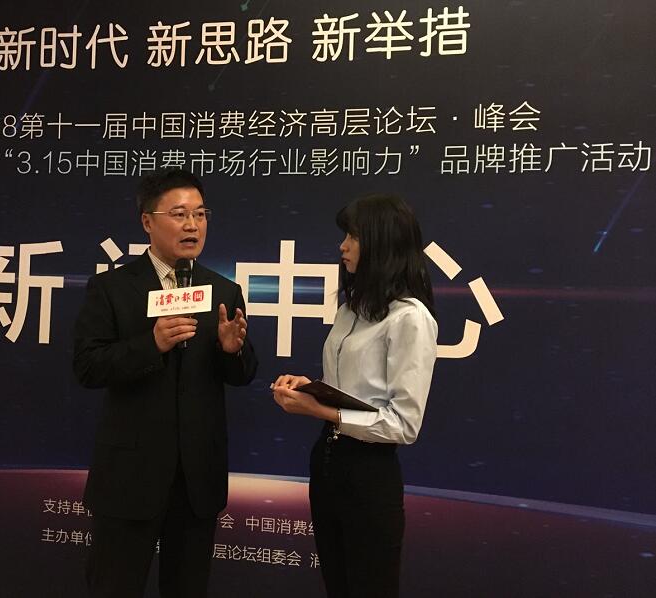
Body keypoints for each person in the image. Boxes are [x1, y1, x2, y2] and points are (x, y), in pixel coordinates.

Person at [73, 168, 258, 598]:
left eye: (200, 214)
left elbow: (243, 374)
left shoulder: (223, 291)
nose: (192, 225)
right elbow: (87, 367)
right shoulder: (112, 288)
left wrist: (231, 351)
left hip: (196, 481)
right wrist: (150, 345)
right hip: (129, 478)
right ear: (147, 221)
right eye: (179, 214)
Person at [271, 194, 437, 598]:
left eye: (353, 237)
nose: (342, 246)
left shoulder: (411, 317)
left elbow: (404, 424)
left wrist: (321, 411)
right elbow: (350, 390)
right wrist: (310, 387)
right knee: (337, 584)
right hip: (328, 463)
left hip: (369, 474)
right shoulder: (351, 309)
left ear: (381, 243)